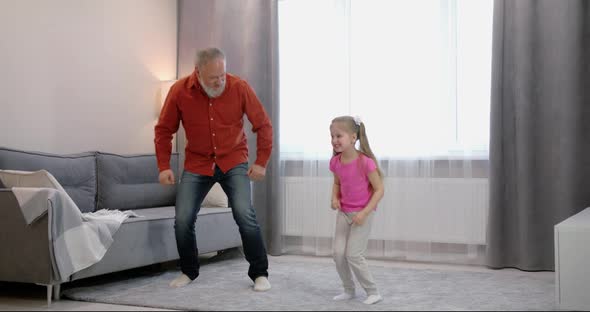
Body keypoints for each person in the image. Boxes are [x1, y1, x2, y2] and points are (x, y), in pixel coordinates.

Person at [154, 47, 272, 292]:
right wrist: (164, 165)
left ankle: (259, 273)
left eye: (223, 75)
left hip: (233, 159)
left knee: (244, 214)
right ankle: (189, 271)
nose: (220, 81)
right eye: (213, 78)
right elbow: (164, 129)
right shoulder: (179, 91)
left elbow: (263, 124)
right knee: (183, 218)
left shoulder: (239, 87)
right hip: (197, 163)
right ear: (197, 72)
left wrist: (261, 161)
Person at [329, 115, 384, 305]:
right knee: (337, 253)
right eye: (332, 136)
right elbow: (337, 183)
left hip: (363, 214)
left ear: (353, 138)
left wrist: (364, 213)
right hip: (344, 213)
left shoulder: (365, 162)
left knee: (353, 254)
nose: (335, 140)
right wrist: (334, 197)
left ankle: (373, 291)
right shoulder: (336, 162)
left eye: (339, 136)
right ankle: (349, 289)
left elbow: (379, 190)